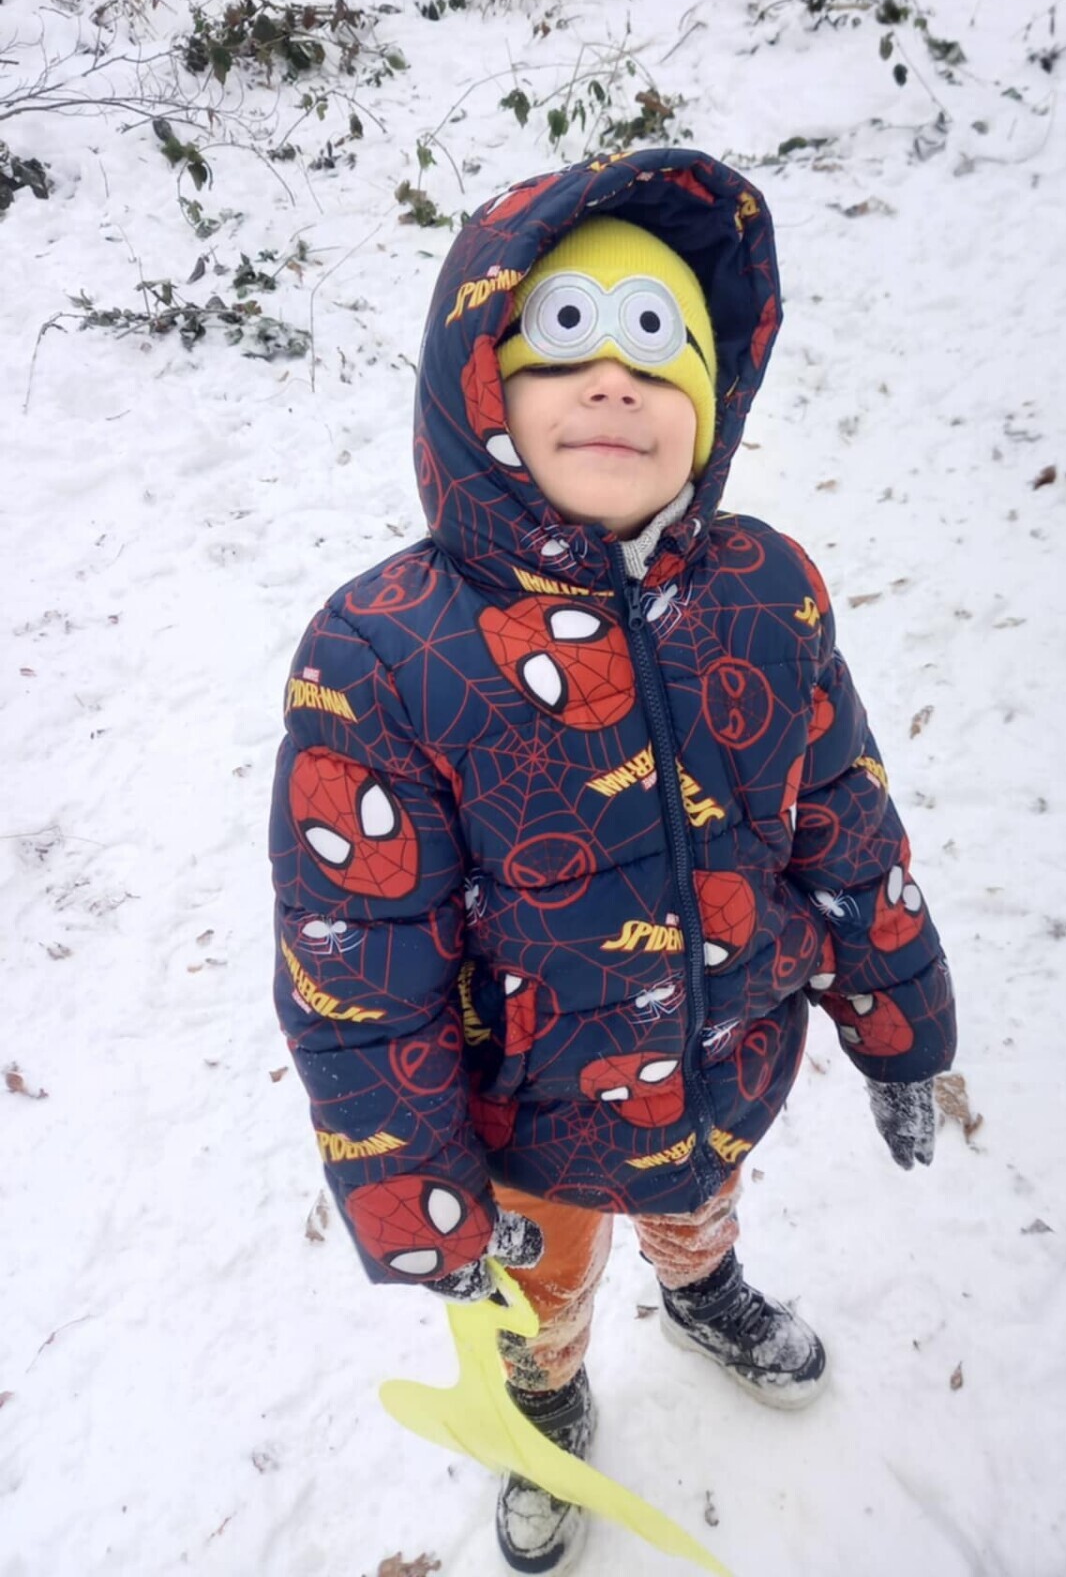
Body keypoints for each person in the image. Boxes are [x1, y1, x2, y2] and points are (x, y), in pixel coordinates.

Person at [270, 148, 956, 1574]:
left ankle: (701, 1290)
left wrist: (900, 1027)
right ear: (478, 384)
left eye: (660, 348)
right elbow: (359, 971)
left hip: (723, 1052)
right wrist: (427, 1200)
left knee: (698, 1196)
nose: (614, 383)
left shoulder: (767, 591)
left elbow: (845, 821)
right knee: (544, 1282)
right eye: (564, 340)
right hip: (530, 1119)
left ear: (712, 403)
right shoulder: (387, 652)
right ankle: (543, 1397)